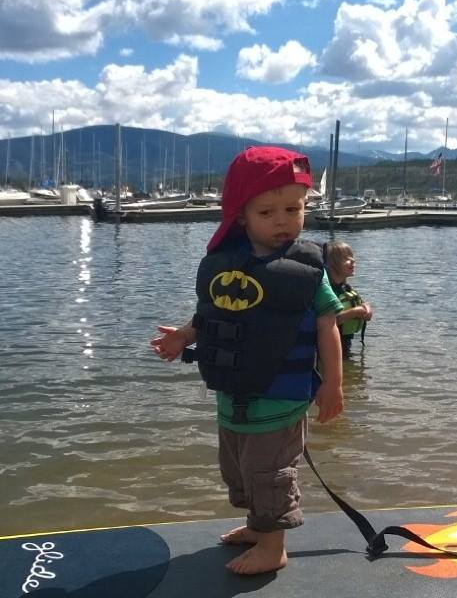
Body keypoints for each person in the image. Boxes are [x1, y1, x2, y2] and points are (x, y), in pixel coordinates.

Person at [150, 146, 344, 575]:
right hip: (235, 397)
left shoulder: (307, 270)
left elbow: (327, 327)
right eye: (267, 212)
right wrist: (185, 335)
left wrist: (333, 384)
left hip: (280, 399)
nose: (282, 220)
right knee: (238, 468)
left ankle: (274, 546)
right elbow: (215, 314)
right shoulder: (225, 264)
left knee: (269, 471)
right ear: (241, 216)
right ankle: (259, 527)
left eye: (293, 209)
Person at [323, 241, 373, 354]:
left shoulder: (346, 288)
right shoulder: (325, 290)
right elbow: (325, 321)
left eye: (352, 257)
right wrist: (355, 312)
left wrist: (366, 308)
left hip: (345, 344)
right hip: (327, 347)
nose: (353, 261)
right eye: (346, 258)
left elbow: (361, 304)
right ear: (331, 264)